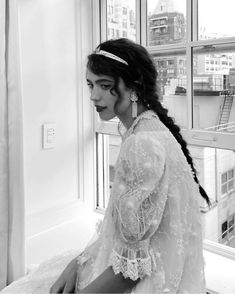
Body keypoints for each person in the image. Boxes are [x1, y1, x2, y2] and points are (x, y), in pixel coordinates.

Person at [1, 38, 210, 294]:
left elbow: (129, 272)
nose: (93, 95)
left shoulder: (141, 143)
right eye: (90, 84)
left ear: (134, 87)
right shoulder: (148, 129)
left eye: (104, 85)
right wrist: (78, 262)